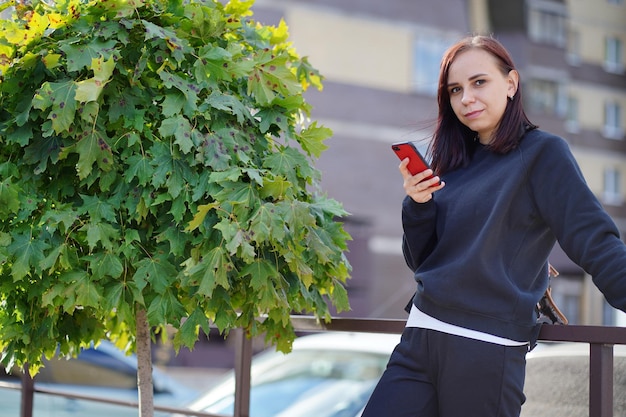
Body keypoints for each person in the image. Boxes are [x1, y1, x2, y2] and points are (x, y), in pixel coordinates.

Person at [361, 34, 626, 417]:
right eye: (455, 89)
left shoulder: (543, 154)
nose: (466, 98)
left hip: (485, 348)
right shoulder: (452, 160)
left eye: (479, 82)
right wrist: (418, 205)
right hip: (421, 337)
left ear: (511, 83)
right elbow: (422, 261)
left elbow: (595, 242)